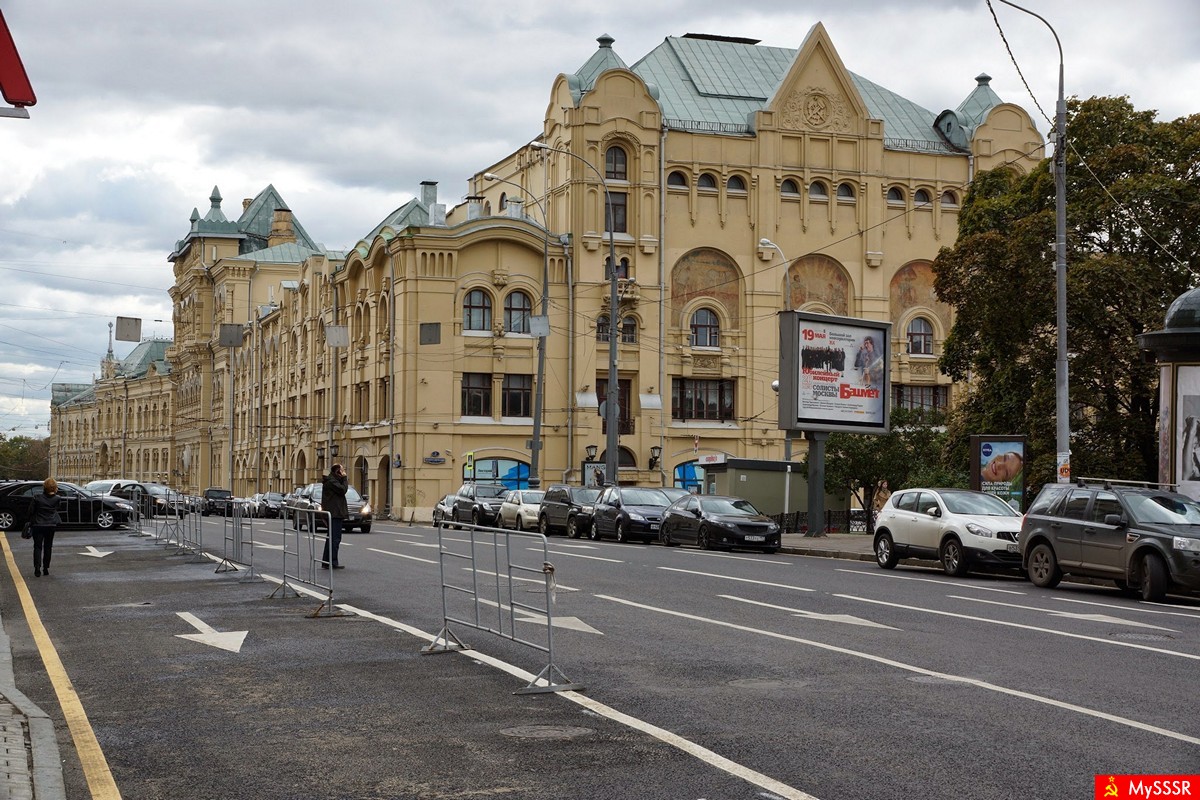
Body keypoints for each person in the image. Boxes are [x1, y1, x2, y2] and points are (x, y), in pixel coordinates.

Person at [26, 477, 62, 577]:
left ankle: (37, 568)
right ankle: (46, 568)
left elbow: (30, 511)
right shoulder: (57, 498)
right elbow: (57, 508)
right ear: (55, 487)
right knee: (48, 546)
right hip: (51, 525)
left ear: (44, 487)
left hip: (38, 524)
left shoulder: (37, 497)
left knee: (37, 547)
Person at [319, 463, 349, 569]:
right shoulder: (331, 482)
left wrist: (342, 478)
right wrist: (345, 478)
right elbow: (343, 490)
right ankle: (332, 562)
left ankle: (327, 561)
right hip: (335, 513)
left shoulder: (331, 480)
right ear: (338, 472)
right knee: (335, 539)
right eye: (342, 470)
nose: (344, 472)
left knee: (331, 538)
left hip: (334, 513)